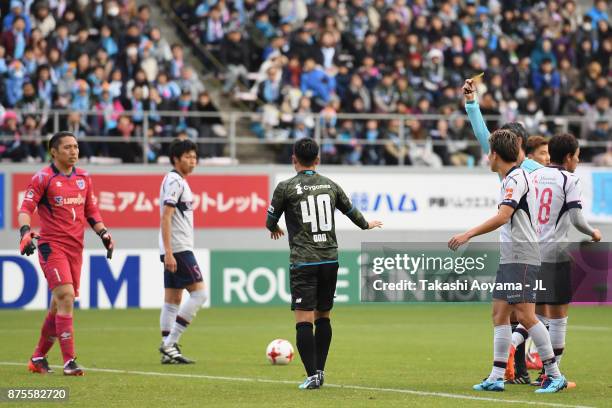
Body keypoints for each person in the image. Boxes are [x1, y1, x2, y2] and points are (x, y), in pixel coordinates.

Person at [448, 129, 567, 393]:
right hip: (512, 256)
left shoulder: (515, 178)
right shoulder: (511, 177)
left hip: (522, 256)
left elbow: (503, 216)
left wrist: (468, 234)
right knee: (499, 314)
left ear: (495, 155)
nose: (486, 158)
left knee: (525, 315)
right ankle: (496, 376)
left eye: (488, 153)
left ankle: (554, 374)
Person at [266, 138, 382, 389]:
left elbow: (269, 219)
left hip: (304, 261)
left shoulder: (285, 187)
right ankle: (320, 371)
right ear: (317, 160)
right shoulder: (330, 185)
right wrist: (366, 225)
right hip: (330, 259)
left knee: (303, 320)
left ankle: (312, 376)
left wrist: (274, 226)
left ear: (293, 159)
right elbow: (351, 211)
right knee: (324, 317)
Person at [463, 76, 542, 382]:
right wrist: (472, 103)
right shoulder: (532, 171)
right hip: (522, 246)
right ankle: (512, 370)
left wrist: (469, 233)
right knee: (512, 312)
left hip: (528, 246)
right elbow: (485, 137)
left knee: (527, 313)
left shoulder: (529, 173)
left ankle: (547, 369)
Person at [509, 133, 602, 387]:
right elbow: (576, 219)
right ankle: (552, 375)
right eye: (578, 157)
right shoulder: (569, 179)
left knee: (535, 314)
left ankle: (508, 351)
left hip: (529, 252)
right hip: (554, 254)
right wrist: (593, 232)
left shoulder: (533, 176)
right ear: (569, 157)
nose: (578, 161)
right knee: (558, 318)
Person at [19, 131, 114, 376]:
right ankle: (69, 361)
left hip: (75, 249)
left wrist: (103, 234)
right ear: (54, 151)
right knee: (66, 296)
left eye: (76, 147)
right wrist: (25, 233)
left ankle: (38, 357)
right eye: (68, 147)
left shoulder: (84, 177)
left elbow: (91, 210)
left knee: (58, 305)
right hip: (52, 246)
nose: (74, 151)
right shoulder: (43, 178)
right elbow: (26, 208)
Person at [158, 139, 207, 364]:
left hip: (174, 247)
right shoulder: (175, 181)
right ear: (176, 159)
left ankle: (169, 350)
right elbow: (166, 216)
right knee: (199, 293)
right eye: (188, 157)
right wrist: (169, 251)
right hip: (178, 248)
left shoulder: (175, 180)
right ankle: (169, 345)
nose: (193, 161)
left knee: (173, 298)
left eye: (195, 157)